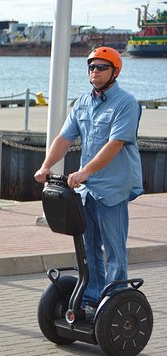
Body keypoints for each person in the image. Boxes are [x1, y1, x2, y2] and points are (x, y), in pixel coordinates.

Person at [34, 46, 143, 316]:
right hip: (87, 189)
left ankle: (115, 301)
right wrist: (47, 166)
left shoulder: (126, 103)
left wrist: (86, 172)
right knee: (88, 245)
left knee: (114, 248)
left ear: (115, 71)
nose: (95, 71)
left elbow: (115, 144)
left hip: (113, 187)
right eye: (92, 67)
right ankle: (92, 297)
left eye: (101, 67)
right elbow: (63, 139)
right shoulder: (83, 102)